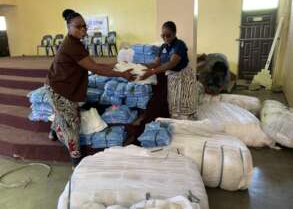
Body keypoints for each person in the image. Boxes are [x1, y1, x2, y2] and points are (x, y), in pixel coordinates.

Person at [45, 9, 134, 167]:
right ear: (68, 26)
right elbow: (96, 68)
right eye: (78, 26)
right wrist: (121, 74)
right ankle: (75, 159)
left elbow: (94, 65)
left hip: (60, 86)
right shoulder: (71, 45)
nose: (82, 29)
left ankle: (53, 132)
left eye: (84, 26)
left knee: (62, 113)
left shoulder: (75, 43)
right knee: (73, 123)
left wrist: (116, 65)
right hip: (61, 90)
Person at [140, 21, 197, 120]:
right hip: (167, 76)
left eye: (168, 35)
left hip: (180, 77)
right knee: (157, 97)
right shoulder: (163, 47)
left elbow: (172, 63)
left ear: (175, 34)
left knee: (174, 101)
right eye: (163, 35)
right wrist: (141, 66)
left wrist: (152, 72)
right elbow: (156, 63)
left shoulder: (179, 45)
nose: (165, 38)